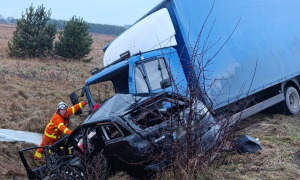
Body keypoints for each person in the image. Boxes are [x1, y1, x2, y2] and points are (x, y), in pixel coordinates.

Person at [34, 101, 86, 166]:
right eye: (61, 110)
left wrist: (84, 103)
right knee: (43, 146)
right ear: (59, 110)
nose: (63, 111)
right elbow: (62, 128)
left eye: (64, 110)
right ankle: (37, 159)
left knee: (55, 146)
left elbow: (74, 108)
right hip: (49, 135)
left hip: (56, 136)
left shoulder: (67, 112)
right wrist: (72, 133)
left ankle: (50, 156)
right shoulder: (56, 117)